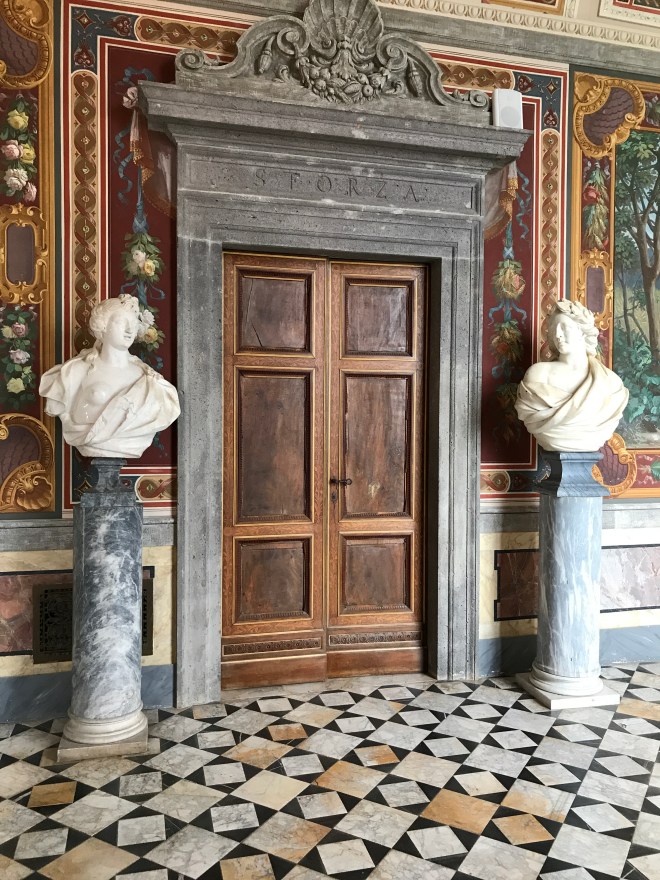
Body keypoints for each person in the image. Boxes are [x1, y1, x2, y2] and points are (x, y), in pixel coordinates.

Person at [39, 295, 179, 458]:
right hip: (88, 442)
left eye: (134, 324)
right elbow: (59, 408)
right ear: (102, 325)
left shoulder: (150, 380)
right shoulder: (75, 372)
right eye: (121, 322)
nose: (129, 330)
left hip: (128, 444)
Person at [515, 300, 628, 452]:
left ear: (582, 331)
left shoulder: (611, 384)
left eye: (564, 327)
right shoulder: (538, 376)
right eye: (554, 330)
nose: (557, 335)